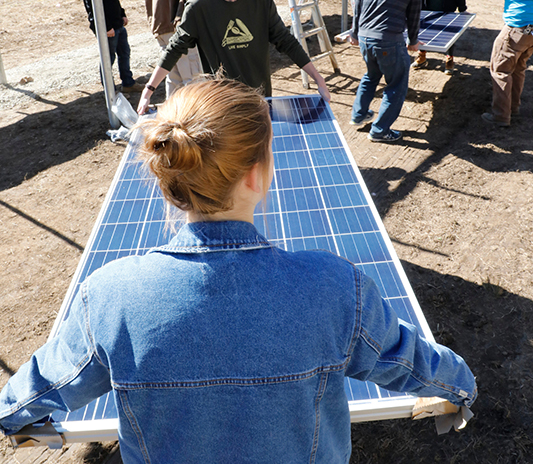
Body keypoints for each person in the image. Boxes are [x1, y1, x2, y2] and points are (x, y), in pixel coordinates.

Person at [0, 77, 477, 462]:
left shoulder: (107, 298)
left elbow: (18, 408)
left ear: (168, 182)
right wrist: (462, 386)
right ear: (257, 173)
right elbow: (421, 369)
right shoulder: (336, 289)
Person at [137, 0, 330, 114]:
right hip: (223, 107)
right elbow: (174, 50)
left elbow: (286, 41)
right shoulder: (199, 7)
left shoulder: (261, 0)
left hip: (260, 103)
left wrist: (318, 78)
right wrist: (148, 91)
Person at [349, 0, 422, 142]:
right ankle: (380, 130)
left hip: (365, 39)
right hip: (389, 42)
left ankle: (359, 115)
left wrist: (354, 34)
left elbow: (358, 8)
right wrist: (414, 41)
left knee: (371, 75)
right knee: (397, 84)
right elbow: (414, 14)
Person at [481, 0, 533, 127]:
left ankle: (501, 116)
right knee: (519, 67)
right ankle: (514, 108)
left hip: (517, 28)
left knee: (500, 69)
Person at [79, 0, 143, 93]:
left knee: (124, 53)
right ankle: (109, 90)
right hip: (107, 28)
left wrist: (122, 14)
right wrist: (104, 27)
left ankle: (128, 83)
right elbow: (91, 7)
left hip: (117, 24)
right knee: (108, 59)